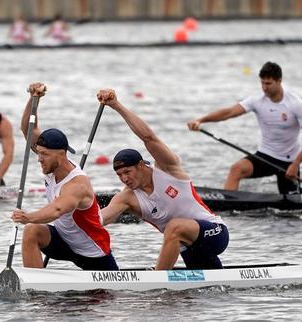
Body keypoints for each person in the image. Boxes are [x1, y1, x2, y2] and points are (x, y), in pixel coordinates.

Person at [97, 89, 228, 271]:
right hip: (188, 248)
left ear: (142, 165)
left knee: (174, 227)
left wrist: (116, 105)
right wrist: (69, 214)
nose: (124, 179)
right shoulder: (126, 198)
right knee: (209, 291)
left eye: (127, 172)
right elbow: (100, 219)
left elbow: (148, 136)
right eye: (119, 175)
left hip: (215, 233)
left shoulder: (168, 169)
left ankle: (159, 277)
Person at [11, 82, 118, 271]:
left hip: (93, 254)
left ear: (61, 154)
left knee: (31, 223)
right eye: (39, 152)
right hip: (64, 242)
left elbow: (57, 210)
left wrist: (28, 216)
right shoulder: (52, 162)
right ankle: (35, 286)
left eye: (44, 154)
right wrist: (34, 99)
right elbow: (28, 130)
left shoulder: (77, 185)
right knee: (31, 232)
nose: (39, 158)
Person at [188, 61, 302, 194]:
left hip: (289, 162)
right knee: (236, 169)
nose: (264, 87)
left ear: (279, 81)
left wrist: (296, 164)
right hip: (265, 156)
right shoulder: (257, 101)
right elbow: (229, 112)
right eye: (262, 83)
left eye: (268, 83)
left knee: (291, 211)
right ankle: (228, 206)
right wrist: (201, 120)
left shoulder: (296, 104)